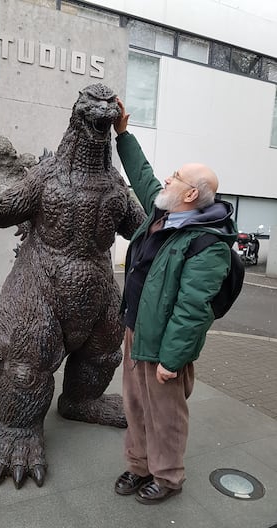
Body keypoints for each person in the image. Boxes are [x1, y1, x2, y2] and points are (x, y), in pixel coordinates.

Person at [113, 98, 238, 504]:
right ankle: (138, 465)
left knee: (164, 415)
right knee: (134, 405)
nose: (167, 179)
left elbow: (193, 309)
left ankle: (167, 477)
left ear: (191, 193)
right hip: (135, 329)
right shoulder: (162, 213)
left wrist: (173, 359)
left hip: (166, 345)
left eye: (177, 176)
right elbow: (145, 176)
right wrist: (123, 135)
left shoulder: (208, 243)